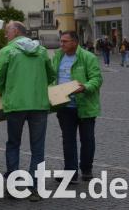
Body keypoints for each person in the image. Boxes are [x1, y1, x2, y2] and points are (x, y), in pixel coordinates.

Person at [0, 21, 55, 202]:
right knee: (38, 148)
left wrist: (3, 92)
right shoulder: (41, 51)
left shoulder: (7, 51)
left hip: (16, 104)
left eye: (7, 31)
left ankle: (13, 187)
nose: (6, 35)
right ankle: (34, 188)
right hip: (39, 104)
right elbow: (51, 75)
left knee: (13, 143)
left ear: (16, 32)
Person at [52, 31, 103, 184]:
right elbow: (52, 78)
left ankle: (86, 169)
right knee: (68, 141)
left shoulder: (88, 57)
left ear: (75, 42)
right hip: (65, 106)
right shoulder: (58, 57)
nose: (61, 44)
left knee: (87, 140)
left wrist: (85, 87)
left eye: (65, 41)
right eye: (61, 41)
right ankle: (71, 173)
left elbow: (97, 79)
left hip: (85, 105)